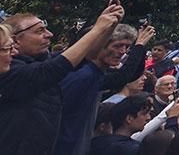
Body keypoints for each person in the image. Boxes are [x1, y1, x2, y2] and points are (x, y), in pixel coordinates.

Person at [0, 4, 124, 153]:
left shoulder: (39, 62)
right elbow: (53, 69)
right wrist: (97, 29)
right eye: (39, 31)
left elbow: (85, 55)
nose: (49, 34)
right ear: (15, 40)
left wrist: (108, 26)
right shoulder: (10, 71)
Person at [57, 21, 154, 155]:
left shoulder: (95, 72)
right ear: (98, 45)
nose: (122, 52)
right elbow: (121, 77)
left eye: (126, 47)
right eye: (118, 46)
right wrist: (139, 46)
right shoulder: (84, 75)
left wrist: (140, 47)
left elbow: (131, 74)